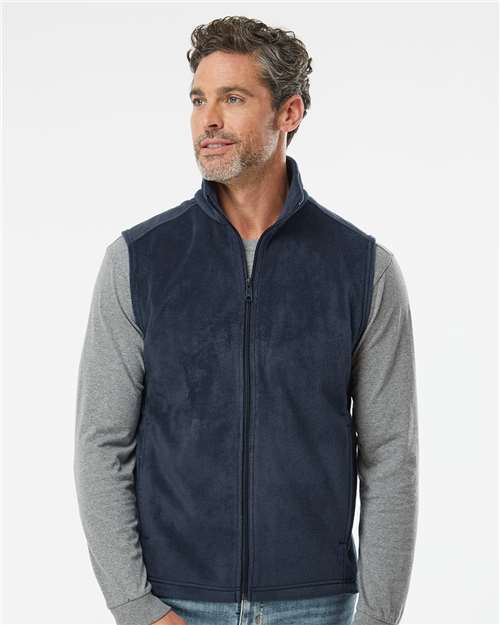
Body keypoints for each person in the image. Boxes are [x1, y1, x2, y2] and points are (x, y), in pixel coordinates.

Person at [74, 15, 419, 625]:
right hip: (175, 603)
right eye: (198, 100)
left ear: (289, 112)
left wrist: (377, 616)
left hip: (315, 604)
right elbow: (101, 443)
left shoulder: (363, 268)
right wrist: (137, 607)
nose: (208, 120)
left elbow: (391, 455)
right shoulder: (139, 261)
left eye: (232, 99)